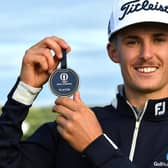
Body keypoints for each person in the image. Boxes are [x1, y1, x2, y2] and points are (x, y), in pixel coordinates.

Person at [1, 0, 168, 167]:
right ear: (114, 52)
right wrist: (24, 92)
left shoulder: (86, 133)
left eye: (159, 40)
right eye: (133, 42)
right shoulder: (69, 129)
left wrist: (96, 146)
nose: (146, 54)